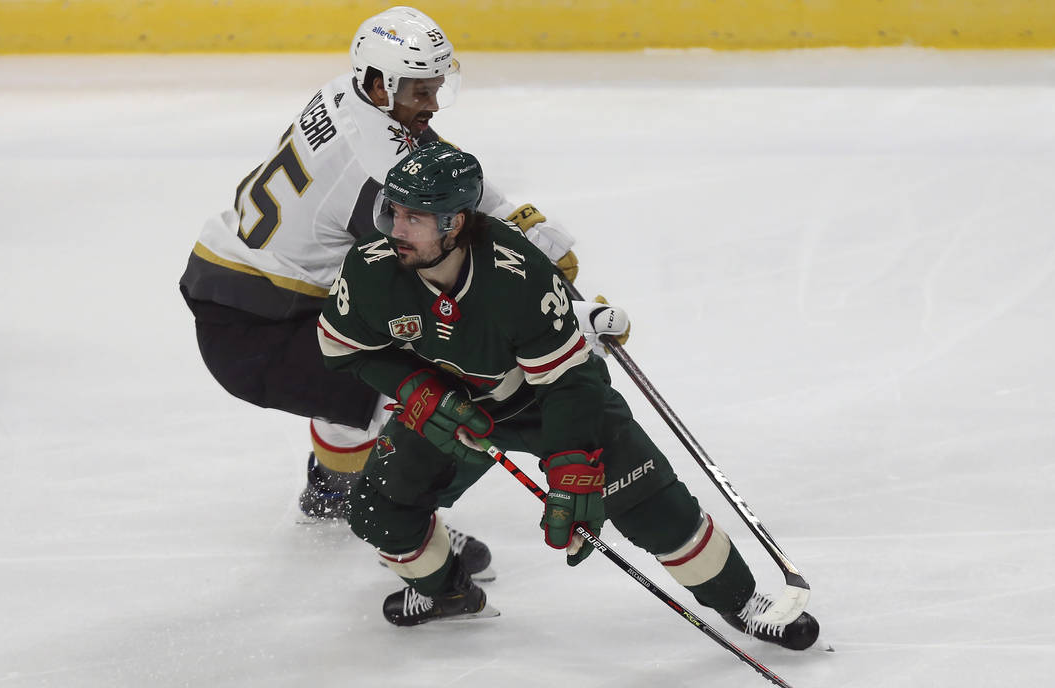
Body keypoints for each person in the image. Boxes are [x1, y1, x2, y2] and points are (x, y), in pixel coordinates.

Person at [317, 142, 819, 650]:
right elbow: (343, 348)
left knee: (651, 506)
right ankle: (447, 594)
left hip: (548, 399)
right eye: (392, 211)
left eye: (415, 217)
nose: (394, 230)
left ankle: (742, 602)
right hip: (456, 408)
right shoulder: (371, 268)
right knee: (380, 509)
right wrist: (414, 389)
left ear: (456, 223)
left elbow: (567, 383)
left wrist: (571, 465)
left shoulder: (517, 275)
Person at [179, 6, 619, 565]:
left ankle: (333, 490)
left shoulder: (351, 93)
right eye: (418, 90)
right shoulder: (374, 173)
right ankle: (403, 534)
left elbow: (424, 159)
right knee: (427, 385)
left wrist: (514, 215)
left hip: (241, 287)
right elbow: (444, 261)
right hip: (259, 325)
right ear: (378, 83)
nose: (431, 102)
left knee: (359, 374)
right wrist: (547, 309)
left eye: (435, 87)